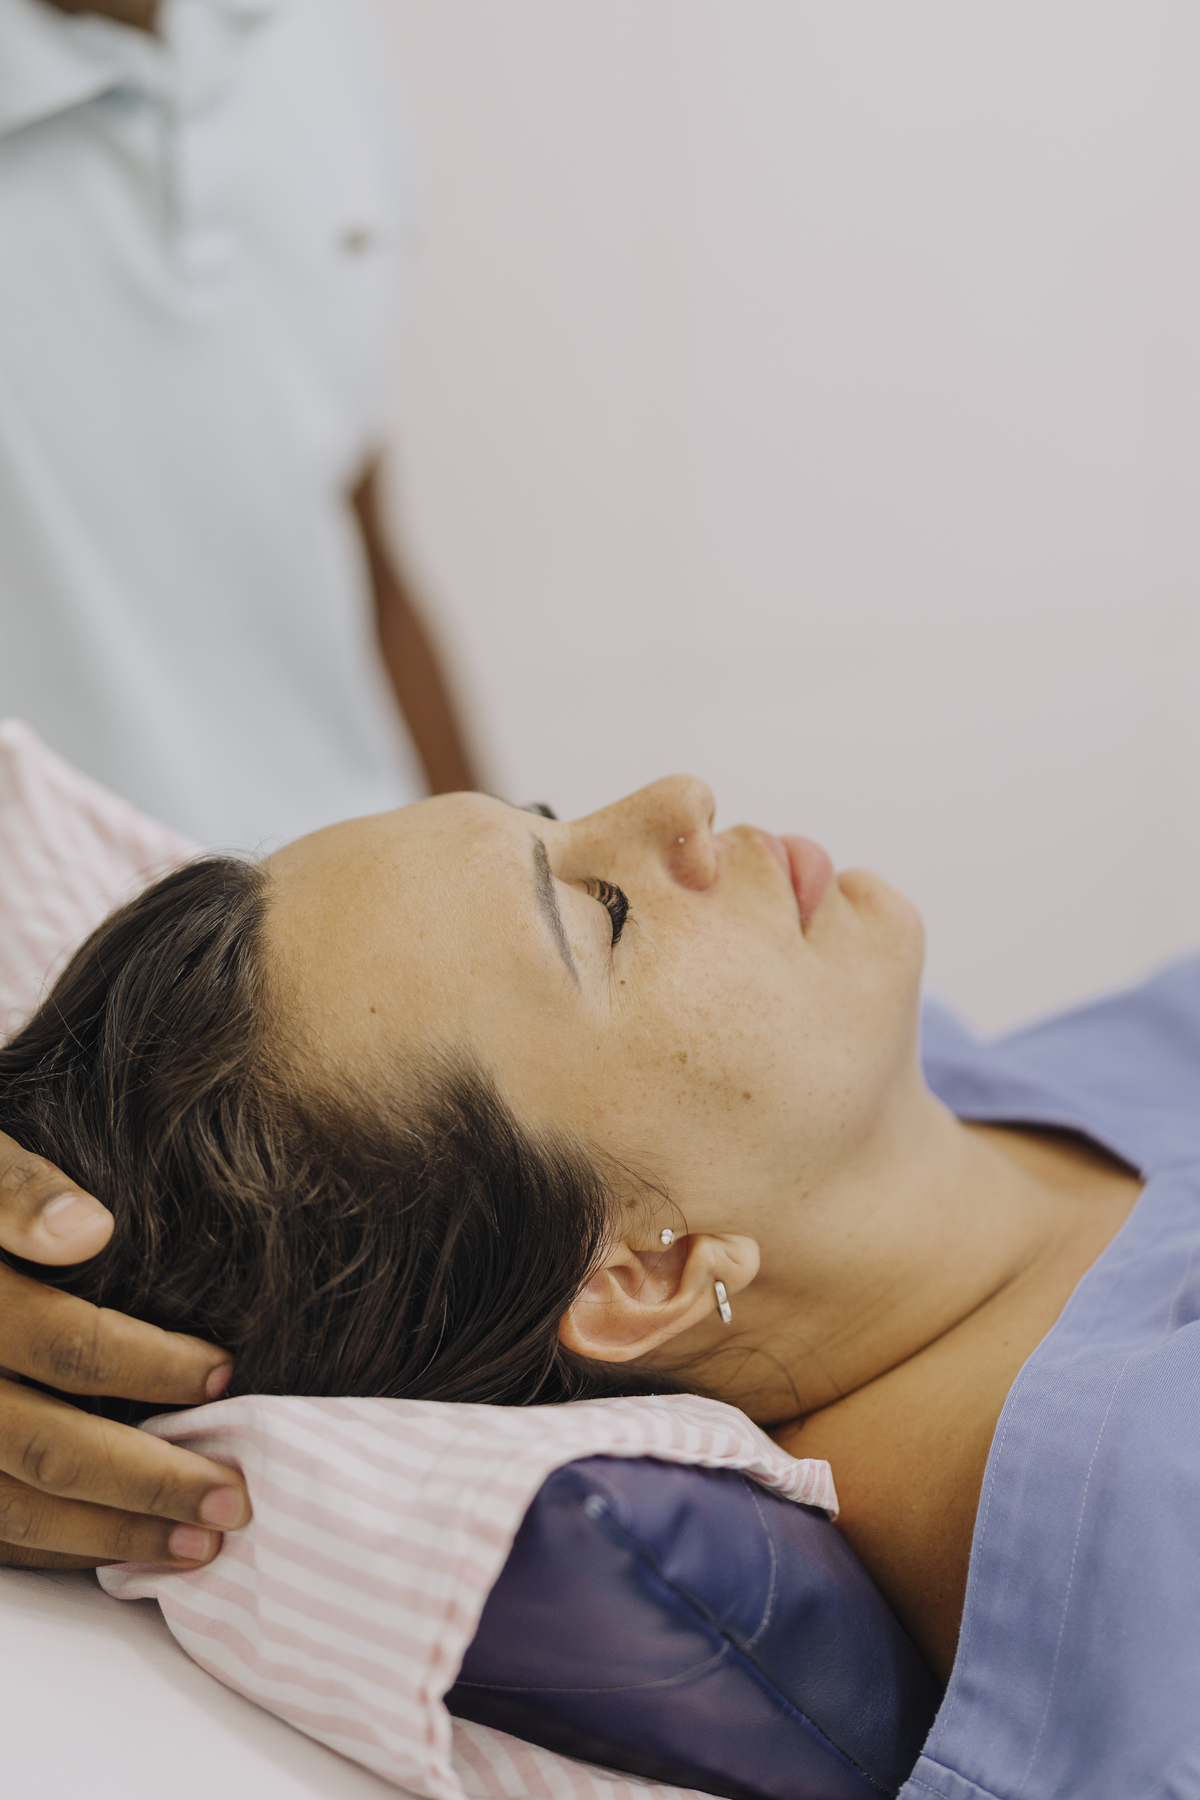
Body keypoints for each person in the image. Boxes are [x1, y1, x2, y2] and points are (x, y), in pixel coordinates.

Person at [2, 775, 1199, 1799]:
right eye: (605, 917)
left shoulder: (873, 1111)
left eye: (549, 815)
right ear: (646, 1272)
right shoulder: (1153, 1529)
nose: (678, 800)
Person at [0, 0, 478, 845]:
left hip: (353, 880)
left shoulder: (322, 36)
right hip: (66, 918)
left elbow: (361, 544)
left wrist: (516, 870)